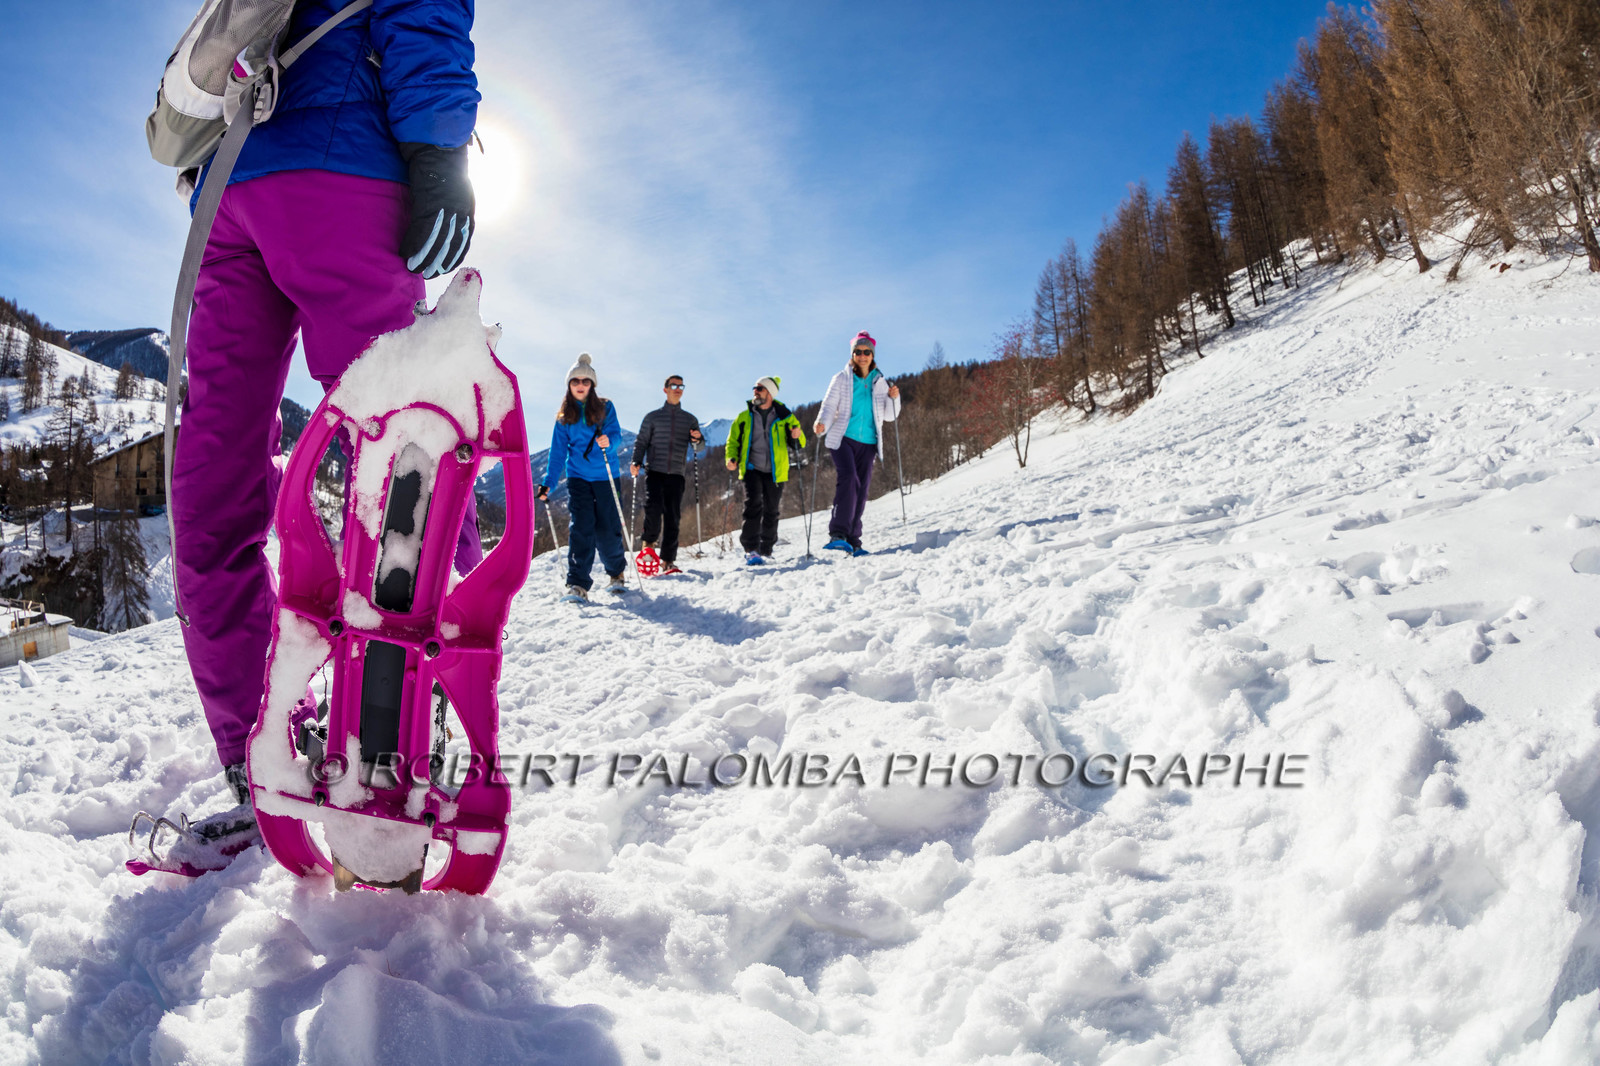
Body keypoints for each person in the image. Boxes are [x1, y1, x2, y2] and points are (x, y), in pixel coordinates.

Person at [170, 0, 481, 803]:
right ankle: (407, 732)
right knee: (408, 445)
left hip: (228, 185)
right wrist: (436, 148)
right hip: (341, 171)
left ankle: (256, 755)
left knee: (214, 470)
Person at [538, 354, 628, 599]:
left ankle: (616, 573)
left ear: (592, 385)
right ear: (569, 385)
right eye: (575, 380)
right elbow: (557, 455)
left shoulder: (605, 407)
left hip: (606, 476)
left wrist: (608, 442)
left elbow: (616, 434)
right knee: (581, 528)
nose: (580, 385)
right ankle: (578, 584)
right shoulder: (564, 418)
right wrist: (548, 483)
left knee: (607, 529)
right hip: (578, 478)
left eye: (585, 381)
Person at [813, 331, 901, 556]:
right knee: (849, 478)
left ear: (872, 355)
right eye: (858, 352)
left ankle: (854, 540)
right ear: (852, 355)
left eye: (866, 352)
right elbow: (829, 405)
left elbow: (890, 416)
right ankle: (838, 534)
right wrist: (821, 423)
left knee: (861, 490)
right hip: (843, 439)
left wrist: (894, 398)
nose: (862, 356)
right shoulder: (841, 379)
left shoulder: (880, 382)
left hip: (869, 443)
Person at [725, 375, 806, 565]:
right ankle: (751, 549)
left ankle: (767, 549)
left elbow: (798, 444)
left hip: (776, 471)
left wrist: (796, 435)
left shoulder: (784, 416)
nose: (755, 391)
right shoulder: (744, 417)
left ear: (770, 393)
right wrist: (731, 458)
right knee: (753, 505)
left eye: (760, 388)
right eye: (754, 388)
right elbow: (732, 441)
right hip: (752, 468)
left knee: (772, 509)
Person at [631, 374, 705, 575]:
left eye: (681, 386)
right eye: (673, 385)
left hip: (676, 474)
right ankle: (648, 550)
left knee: (673, 516)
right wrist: (636, 462)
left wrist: (698, 438)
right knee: (653, 510)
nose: (677, 388)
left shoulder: (690, 419)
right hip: (654, 471)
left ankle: (668, 560)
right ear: (665, 389)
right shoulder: (652, 417)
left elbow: (699, 447)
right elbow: (641, 442)